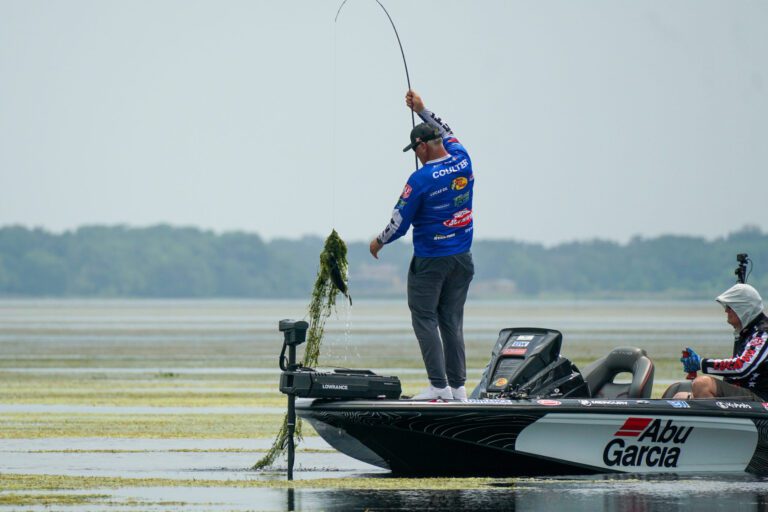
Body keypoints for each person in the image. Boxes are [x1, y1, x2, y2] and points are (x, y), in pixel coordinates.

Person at [369, 90, 475, 401]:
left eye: (416, 149)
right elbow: (448, 131)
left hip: (430, 262)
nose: (416, 155)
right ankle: (458, 390)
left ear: (423, 146)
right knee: (452, 321)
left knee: (425, 318)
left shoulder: (420, 180)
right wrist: (422, 109)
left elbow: (399, 222)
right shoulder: (463, 158)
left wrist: (378, 241)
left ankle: (438, 387)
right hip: (462, 259)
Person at [678, 283, 768, 400]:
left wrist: (701, 363)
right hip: (745, 395)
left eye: (730, 307)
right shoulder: (746, 332)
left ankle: (714, 418)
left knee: (702, 384)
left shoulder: (763, 333)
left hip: (761, 401)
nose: (726, 311)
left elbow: (741, 367)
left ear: (743, 309)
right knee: (678, 396)